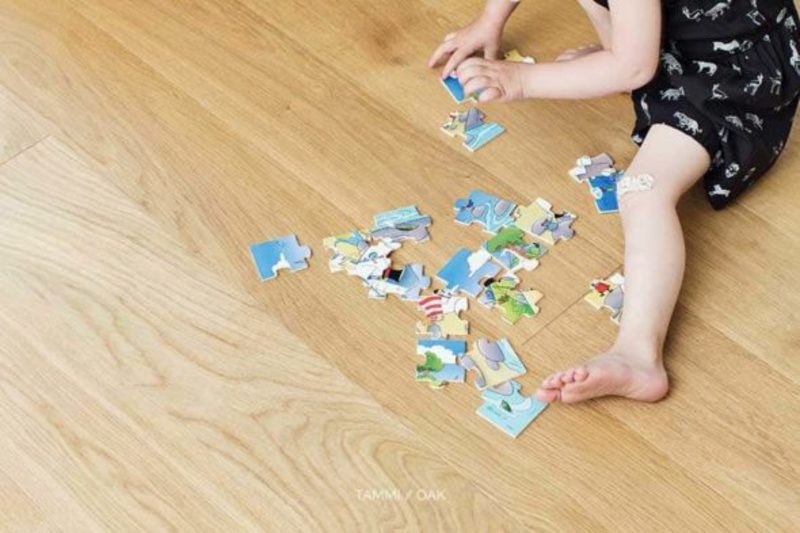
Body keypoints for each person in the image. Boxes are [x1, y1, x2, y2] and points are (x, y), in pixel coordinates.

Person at [429, 0, 800, 403]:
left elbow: (636, 70)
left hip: (736, 73)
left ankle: (639, 355)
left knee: (642, 191)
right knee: (626, 51)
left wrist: (522, 79)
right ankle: (626, 49)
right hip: (677, 36)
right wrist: (490, 20)